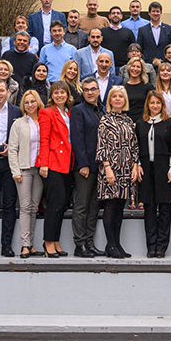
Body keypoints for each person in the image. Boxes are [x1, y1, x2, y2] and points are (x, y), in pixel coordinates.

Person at [96, 86, 140, 258]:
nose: (117, 99)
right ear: (110, 100)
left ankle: (117, 243)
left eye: (120, 96)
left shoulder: (129, 121)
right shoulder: (105, 120)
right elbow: (101, 146)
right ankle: (110, 244)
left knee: (120, 207)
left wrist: (135, 166)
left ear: (125, 100)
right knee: (111, 206)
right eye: (114, 96)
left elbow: (134, 146)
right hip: (111, 169)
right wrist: (107, 168)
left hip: (126, 169)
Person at [136, 91, 171, 258]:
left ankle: (162, 246)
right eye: (152, 103)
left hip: (165, 169)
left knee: (164, 210)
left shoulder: (169, 123)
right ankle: (151, 246)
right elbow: (137, 148)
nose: (155, 106)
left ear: (162, 105)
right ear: (147, 104)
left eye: (158, 103)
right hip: (146, 170)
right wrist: (139, 165)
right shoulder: (141, 123)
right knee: (149, 210)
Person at [0, 80, 23, 257]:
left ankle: (6, 244)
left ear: (8, 92)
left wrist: (13, 150)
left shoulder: (17, 112)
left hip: (10, 163)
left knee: (9, 205)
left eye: (2, 90)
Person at [38, 81, 75, 257]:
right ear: (51, 95)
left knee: (62, 205)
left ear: (67, 95)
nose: (59, 95)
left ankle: (56, 240)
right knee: (54, 204)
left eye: (63, 92)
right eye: (56, 93)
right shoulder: (46, 112)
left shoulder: (68, 113)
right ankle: (48, 242)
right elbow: (43, 139)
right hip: (53, 163)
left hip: (67, 164)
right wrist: (43, 163)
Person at [70, 78, 105, 258]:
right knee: (82, 206)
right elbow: (77, 139)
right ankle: (80, 244)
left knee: (94, 207)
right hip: (85, 166)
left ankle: (90, 243)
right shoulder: (78, 110)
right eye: (86, 90)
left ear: (99, 91)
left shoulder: (103, 110)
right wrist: (82, 164)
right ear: (82, 92)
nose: (90, 92)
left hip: (100, 167)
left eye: (93, 89)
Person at [9, 89, 46, 258]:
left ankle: (31, 244)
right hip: (23, 169)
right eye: (26, 102)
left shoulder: (44, 121)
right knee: (25, 207)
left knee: (34, 207)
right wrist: (15, 171)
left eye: (32, 101)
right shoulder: (18, 123)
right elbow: (12, 149)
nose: (30, 105)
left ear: (38, 102)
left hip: (39, 170)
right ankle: (25, 245)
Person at [101, 6, 136, 71]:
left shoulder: (128, 32)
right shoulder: (102, 32)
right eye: (113, 13)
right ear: (109, 16)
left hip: (124, 66)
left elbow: (133, 50)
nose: (115, 15)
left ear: (121, 16)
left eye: (118, 13)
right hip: (105, 66)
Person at [124, 56, 153, 123]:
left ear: (142, 70)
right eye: (133, 66)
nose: (135, 69)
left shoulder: (148, 87)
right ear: (129, 68)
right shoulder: (124, 88)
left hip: (144, 122)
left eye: (138, 67)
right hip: (127, 123)